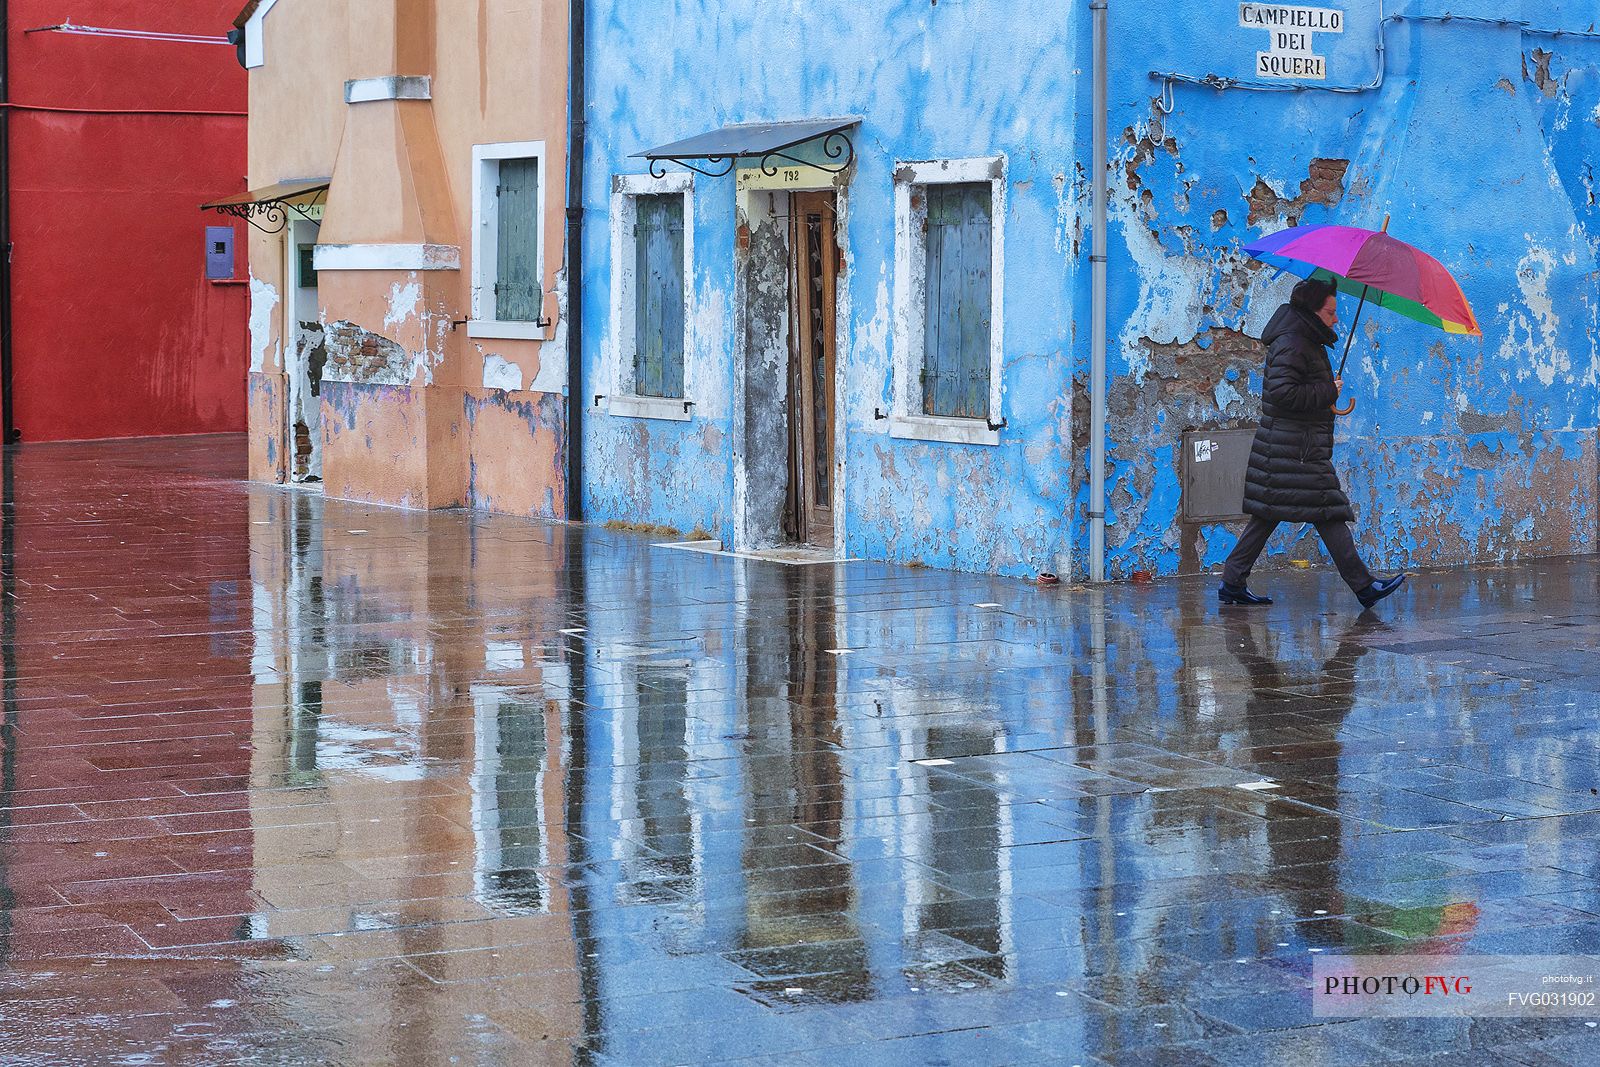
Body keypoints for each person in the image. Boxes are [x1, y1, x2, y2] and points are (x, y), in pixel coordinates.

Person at [1218, 278, 1406, 609]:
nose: (1335, 319)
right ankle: (1364, 587)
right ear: (1312, 311)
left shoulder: (1303, 339)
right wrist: (1327, 391)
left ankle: (1233, 582)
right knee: (1328, 510)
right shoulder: (1294, 342)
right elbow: (1282, 393)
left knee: (1269, 513)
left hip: (1292, 447)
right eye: (1330, 312)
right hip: (1296, 449)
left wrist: (1324, 391)